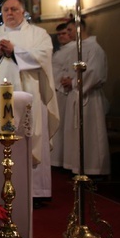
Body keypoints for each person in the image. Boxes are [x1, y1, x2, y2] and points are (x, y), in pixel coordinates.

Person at [0, 0, 59, 204]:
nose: (9, 13)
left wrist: (15, 51)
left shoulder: (38, 34)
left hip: (29, 97)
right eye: (5, 10)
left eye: (14, 9)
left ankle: (36, 192)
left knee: (30, 135)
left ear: (23, 12)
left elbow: (44, 56)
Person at [61, 18, 110, 176]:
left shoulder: (94, 48)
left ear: (79, 27)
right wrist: (66, 79)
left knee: (89, 134)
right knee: (75, 134)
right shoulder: (78, 48)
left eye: (69, 30)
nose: (67, 34)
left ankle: (93, 169)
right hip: (75, 95)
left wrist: (74, 82)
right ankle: (77, 168)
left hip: (89, 97)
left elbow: (95, 74)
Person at [51, 22, 74, 168]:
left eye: (64, 33)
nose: (61, 37)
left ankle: (63, 160)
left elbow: (70, 70)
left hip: (64, 92)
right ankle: (56, 159)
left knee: (64, 126)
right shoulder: (59, 51)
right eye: (58, 34)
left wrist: (65, 80)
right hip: (56, 91)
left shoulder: (73, 50)